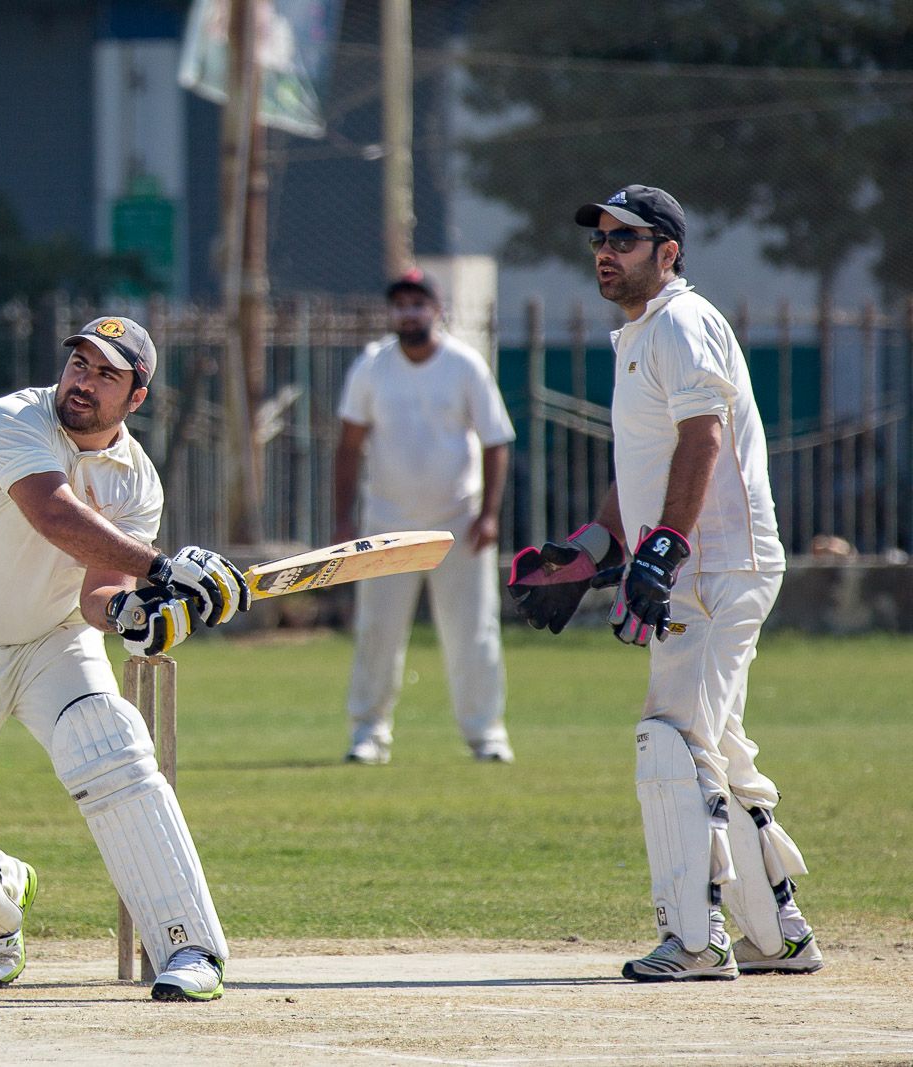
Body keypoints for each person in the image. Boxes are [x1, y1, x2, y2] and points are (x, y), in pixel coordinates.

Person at [0, 315, 249, 1002]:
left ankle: (189, 944)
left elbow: (99, 591)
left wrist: (134, 615)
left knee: (113, 744)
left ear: (136, 397)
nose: (83, 382)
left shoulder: (138, 482)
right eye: (79, 364)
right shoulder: (12, 419)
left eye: (106, 374)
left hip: (53, 640)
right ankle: (0, 901)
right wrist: (163, 569)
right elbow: (54, 515)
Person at [509, 185, 821, 981]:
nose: (605, 252)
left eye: (625, 239)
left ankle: (694, 936)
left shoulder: (682, 321)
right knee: (716, 741)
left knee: (671, 737)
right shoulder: (642, 331)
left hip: (715, 563)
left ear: (668, 252)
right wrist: (592, 547)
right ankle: (776, 933)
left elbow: (702, 440)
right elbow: (644, 462)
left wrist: (667, 546)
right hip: (702, 563)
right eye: (600, 240)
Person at [331, 269, 516, 766]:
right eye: (401, 305)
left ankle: (486, 734)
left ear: (437, 310)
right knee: (378, 631)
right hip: (387, 523)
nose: (409, 314)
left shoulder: (464, 364)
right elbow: (349, 446)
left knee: (473, 632)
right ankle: (368, 732)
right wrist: (343, 520)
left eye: (419, 304)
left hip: (458, 521)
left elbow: (496, 440)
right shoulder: (372, 366)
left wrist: (489, 514)